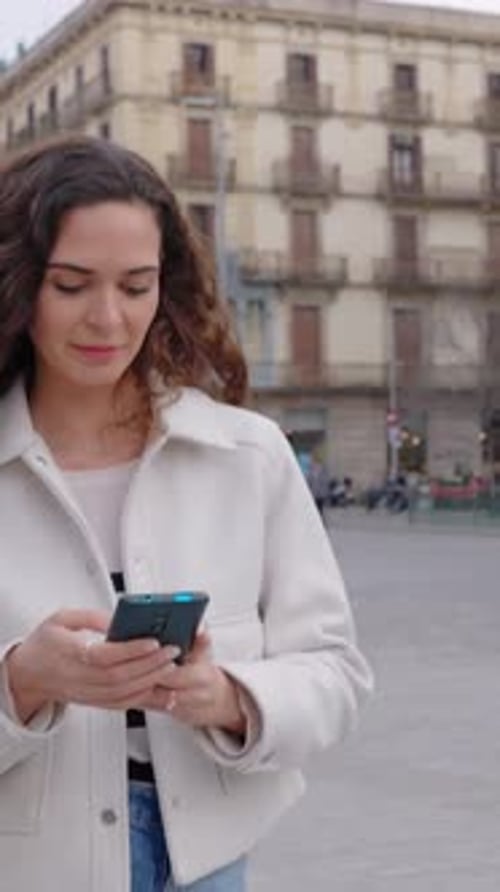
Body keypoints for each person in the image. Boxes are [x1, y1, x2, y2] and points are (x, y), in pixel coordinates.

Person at [0, 136, 373, 892]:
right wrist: (21, 683)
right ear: (17, 284)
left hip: (206, 864)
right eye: (71, 285)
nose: (108, 318)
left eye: (136, 286)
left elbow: (335, 672)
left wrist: (232, 698)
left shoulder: (248, 453)